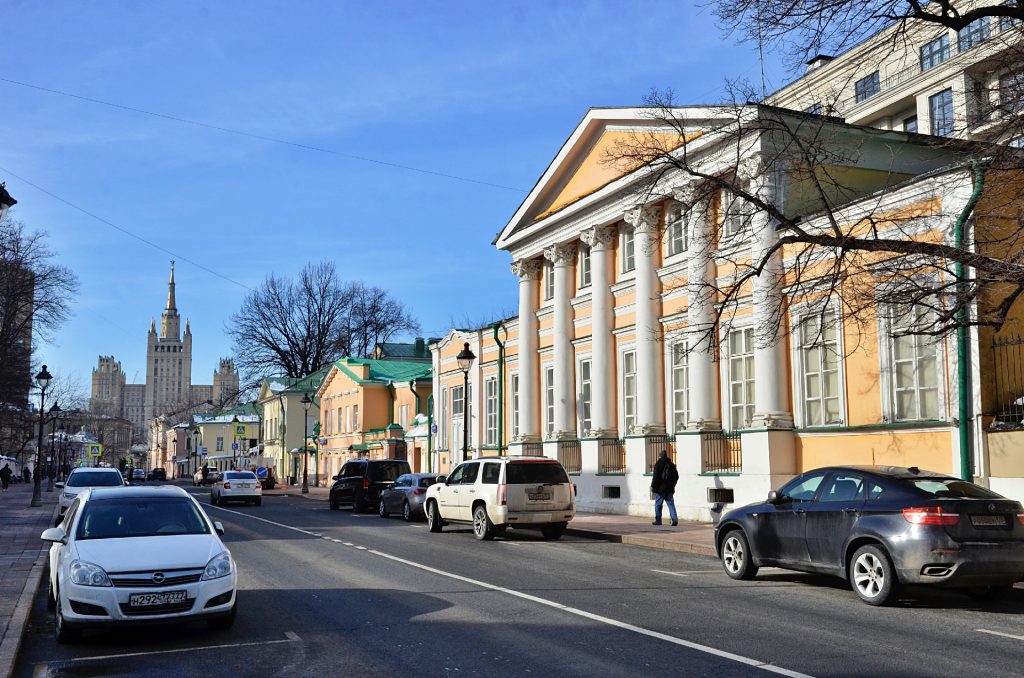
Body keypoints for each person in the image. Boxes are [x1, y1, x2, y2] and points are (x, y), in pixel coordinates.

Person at [650, 449, 679, 527]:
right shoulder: (672, 465)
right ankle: (674, 519)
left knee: (658, 504)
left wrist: (653, 486)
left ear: (660, 456)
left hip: (660, 489)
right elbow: (676, 476)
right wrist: (673, 485)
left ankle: (658, 520)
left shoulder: (658, 465)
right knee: (670, 504)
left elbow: (655, 477)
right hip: (669, 489)